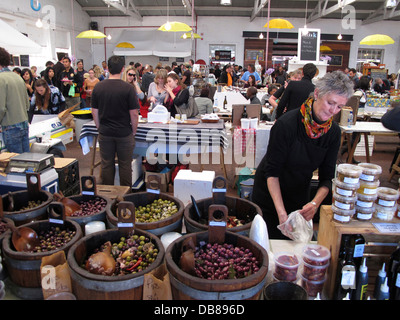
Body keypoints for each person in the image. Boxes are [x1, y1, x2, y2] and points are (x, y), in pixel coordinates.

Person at [252, 71, 354, 239]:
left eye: (339, 107)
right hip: (270, 195)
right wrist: (282, 213)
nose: (333, 111)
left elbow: (327, 178)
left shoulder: (333, 133)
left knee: (295, 249)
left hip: (299, 192)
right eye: (330, 103)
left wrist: (314, 204)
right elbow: (272, 173)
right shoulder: (287, 124)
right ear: (317, 94)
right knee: (269, 246)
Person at [91, 55, 140, 187]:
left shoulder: (98, 87)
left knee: (107, 164)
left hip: (105, 132)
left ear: (108, 67)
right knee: (125, 166)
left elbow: (94, 111)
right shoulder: (128, 88)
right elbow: (134, 114)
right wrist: (134, 131)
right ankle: (126, 197)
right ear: (123, 69)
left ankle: (108, 197)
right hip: (124, 133)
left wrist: (99, 127)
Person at [0, 47, 30, 153]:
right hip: (23, 124)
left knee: (15, 164)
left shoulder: (1, 79)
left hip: (10, 126)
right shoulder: (18, 77)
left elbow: (1, 108)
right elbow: (27, 104)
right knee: (26, 161)